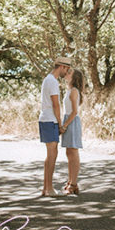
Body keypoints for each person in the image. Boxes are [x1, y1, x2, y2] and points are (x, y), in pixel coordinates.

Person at [39, 57, 71, 197]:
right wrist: (59, 123)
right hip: (50, 120)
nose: (67, 72)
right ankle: (49, 189)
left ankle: (46, 188)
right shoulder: (52, 81)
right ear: (62, 67)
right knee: (52, 155)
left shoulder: (47, 79)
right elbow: (56, 104)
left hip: (45, 119)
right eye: (67, 69)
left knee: (50, 155)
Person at [60, 68, 84, 195]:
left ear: (74, 78)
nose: (66, 74)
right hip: (68, 120)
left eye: (69, 73)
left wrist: (64, 125)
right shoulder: (69, 90)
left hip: (72, 121)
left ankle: (74, 184)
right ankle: (70, 182)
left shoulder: (74, 91)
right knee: (69, 152)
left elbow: (74, 112)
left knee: (73, 152)